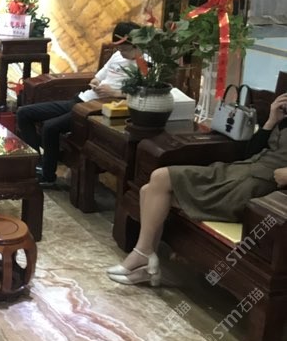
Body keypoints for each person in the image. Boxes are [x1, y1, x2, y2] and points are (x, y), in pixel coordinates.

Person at [107, 91, 287, 286]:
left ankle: (143, 258)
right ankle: (145, 255)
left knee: (151, 191)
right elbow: (250, 152)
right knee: (156, 182)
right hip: (238, 171)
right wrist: (271, 121)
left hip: (255, 188)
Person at [15, 21, 141, 187]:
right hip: (82, 99)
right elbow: (97, 77)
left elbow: (143, 94)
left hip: (96, 109)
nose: (121, 53)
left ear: (137, 45)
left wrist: (115, 93)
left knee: (50, 127)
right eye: (119, 49)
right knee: (23, 113)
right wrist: (96, 83)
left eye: (125, 49)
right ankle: (36, 163)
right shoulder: (117, 56)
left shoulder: (145, 64)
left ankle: (48, 175)